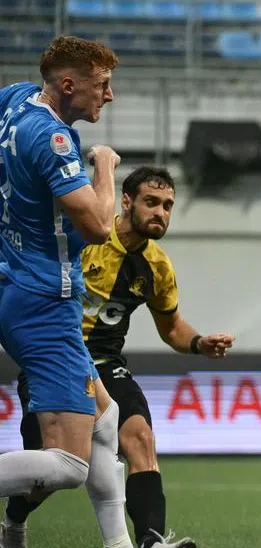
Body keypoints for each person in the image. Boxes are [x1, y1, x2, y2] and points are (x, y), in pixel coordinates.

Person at [7, 166, 235, 548]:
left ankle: (151, 540)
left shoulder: (158, 266)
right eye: (152, 202)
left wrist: (199, 343)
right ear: (126, 202)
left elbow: (171, 326)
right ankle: (13, 520)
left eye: (168, 205)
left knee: (140, 438)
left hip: (107, 363)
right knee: (50, 472)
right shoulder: (86, 238)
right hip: (56, 359)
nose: (161, 212)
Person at [0, 35, 134, 548]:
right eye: (103, 85)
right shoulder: (53, 139)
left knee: (107, 419)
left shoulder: (15, 100)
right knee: (68, 465)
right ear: (69, 84)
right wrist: (105, 165)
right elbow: (102, 227)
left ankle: (117, 545)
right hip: (45, 303)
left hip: (20, 286)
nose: (110, 95)